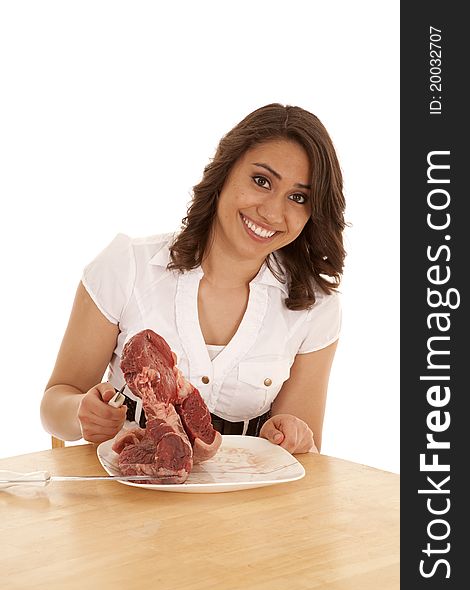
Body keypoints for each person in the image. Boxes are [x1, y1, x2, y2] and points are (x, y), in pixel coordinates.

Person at [40, 103, 346, 455]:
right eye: (261, 181)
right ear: (225, 172)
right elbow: (55, 401)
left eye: (298, 197)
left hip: (245, 504)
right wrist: (80, 413)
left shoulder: (315, 306)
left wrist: (296, 436)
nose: (273, 211)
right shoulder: (128, 267)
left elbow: (301, 454)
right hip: (125, 496)